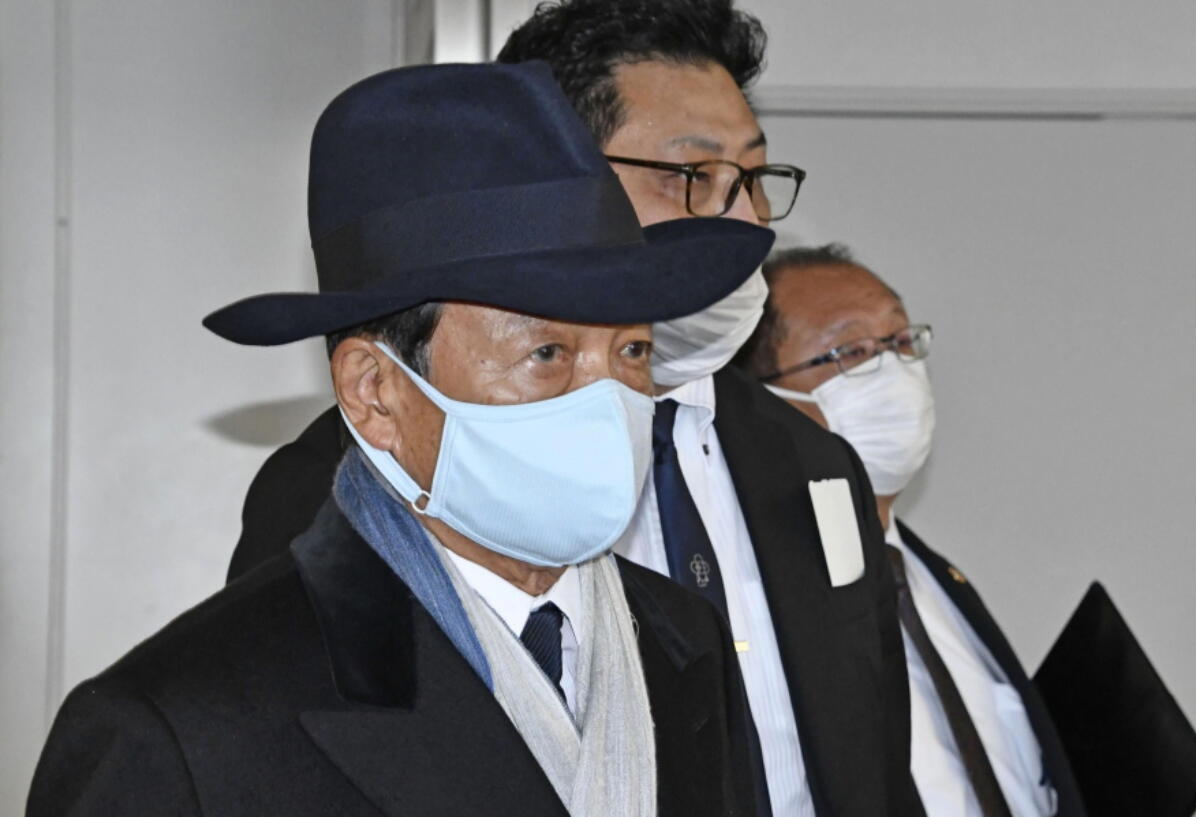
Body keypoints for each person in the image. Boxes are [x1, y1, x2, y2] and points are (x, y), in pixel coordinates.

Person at [27, 62, 776, 817]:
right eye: (546, 355)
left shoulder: (684, 641)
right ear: (374, 390)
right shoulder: (179, 729)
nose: (608, 399)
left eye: (633, 354)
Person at [226, 3, 916, 816]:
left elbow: (867, 749)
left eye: (754, 179)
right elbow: (283, 744)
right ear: (562, 179)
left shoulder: (808, 459)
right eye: (692, 177)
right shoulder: (322, 492)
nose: (745, 220)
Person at [736, 243, 1087, 817]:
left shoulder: (928, 577)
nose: (893, 371)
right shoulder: (756, 599)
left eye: (900, 342)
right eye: (849, 351)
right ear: (761, 397)